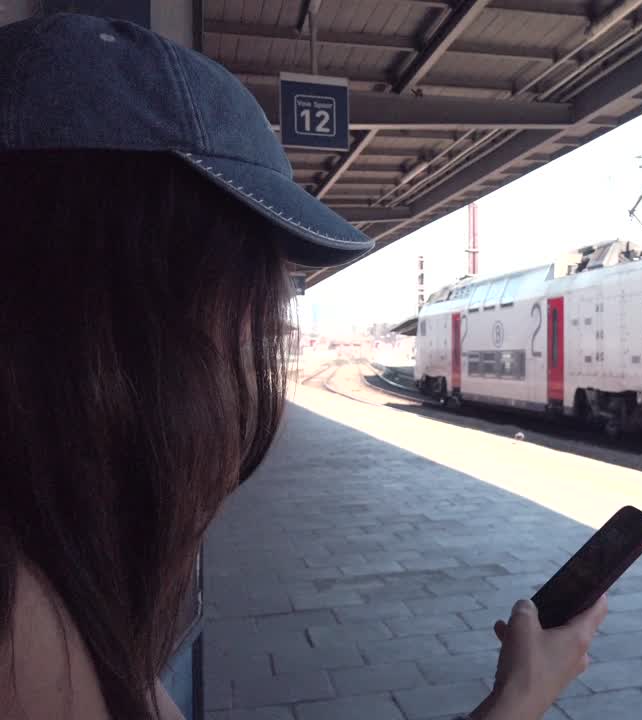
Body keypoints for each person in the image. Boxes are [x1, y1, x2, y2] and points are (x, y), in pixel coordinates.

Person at [0, 14, 606, 720]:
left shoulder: (52, 557)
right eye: (240, 299)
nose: (247, 341)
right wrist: (521, 701)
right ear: (112, 300)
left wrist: (515, 695)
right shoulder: (23, 626)